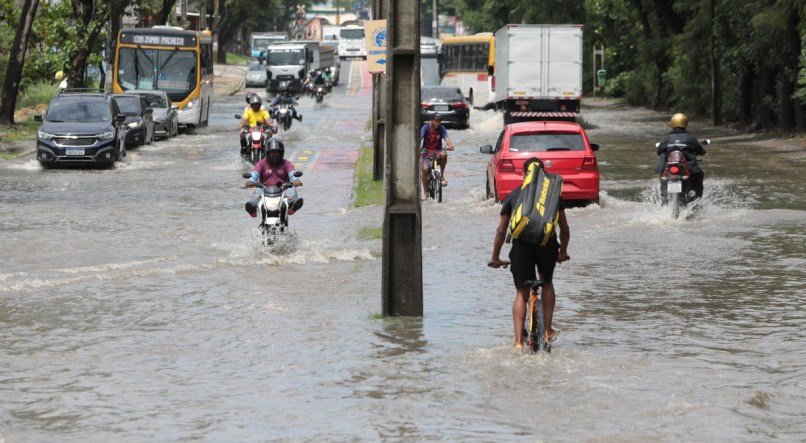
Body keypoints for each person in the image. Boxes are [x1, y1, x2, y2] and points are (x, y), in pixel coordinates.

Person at [488, 157, 570, 349]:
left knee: (521, 292)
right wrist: (562, 252)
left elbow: (501, 231)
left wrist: (495, 257)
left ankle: (518, 343)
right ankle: (548, 331)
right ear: (545, 174)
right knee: (547, 281)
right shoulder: (552, 196)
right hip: (546, 246)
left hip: (521, 247)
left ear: (525, 174)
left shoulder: (514, 195)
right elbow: (564, 229)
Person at [244, 139, 304, 215]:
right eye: (272, 152)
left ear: (281, 152)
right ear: (268, 152)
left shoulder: (286, 163)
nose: (275, 154)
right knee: (257, 191)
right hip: (264, 190)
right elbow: (254, 174)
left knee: (292, 189)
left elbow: (292, 173)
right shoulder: (261, 163)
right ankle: (252, 208)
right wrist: (250, 181)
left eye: (277, 152)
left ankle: (293, 205)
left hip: (283, 190)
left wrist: (296, 181)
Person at [656, 113, 706, 202]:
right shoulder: (690, 137)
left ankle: (664, 197)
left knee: (663, 177)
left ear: (673, 123)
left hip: (669, 168)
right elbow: (700, 150)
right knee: (699, 174)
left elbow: (659, 151)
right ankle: (695, 196)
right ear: (685, 123)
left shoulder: (667, 137)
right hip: (687, 167)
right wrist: (703, 152)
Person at [419, 114, 455, 197]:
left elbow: (447, 138)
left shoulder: (441, 128)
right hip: (426, 153)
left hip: (437, 152)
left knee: (444, 154)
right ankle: (425, 192)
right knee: (424, 169)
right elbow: (420, 138)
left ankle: (442, 176)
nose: (438, 123)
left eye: (439, 121)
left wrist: (450, 145)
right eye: (435, 120)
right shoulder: (425, 127)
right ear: (431, 121)